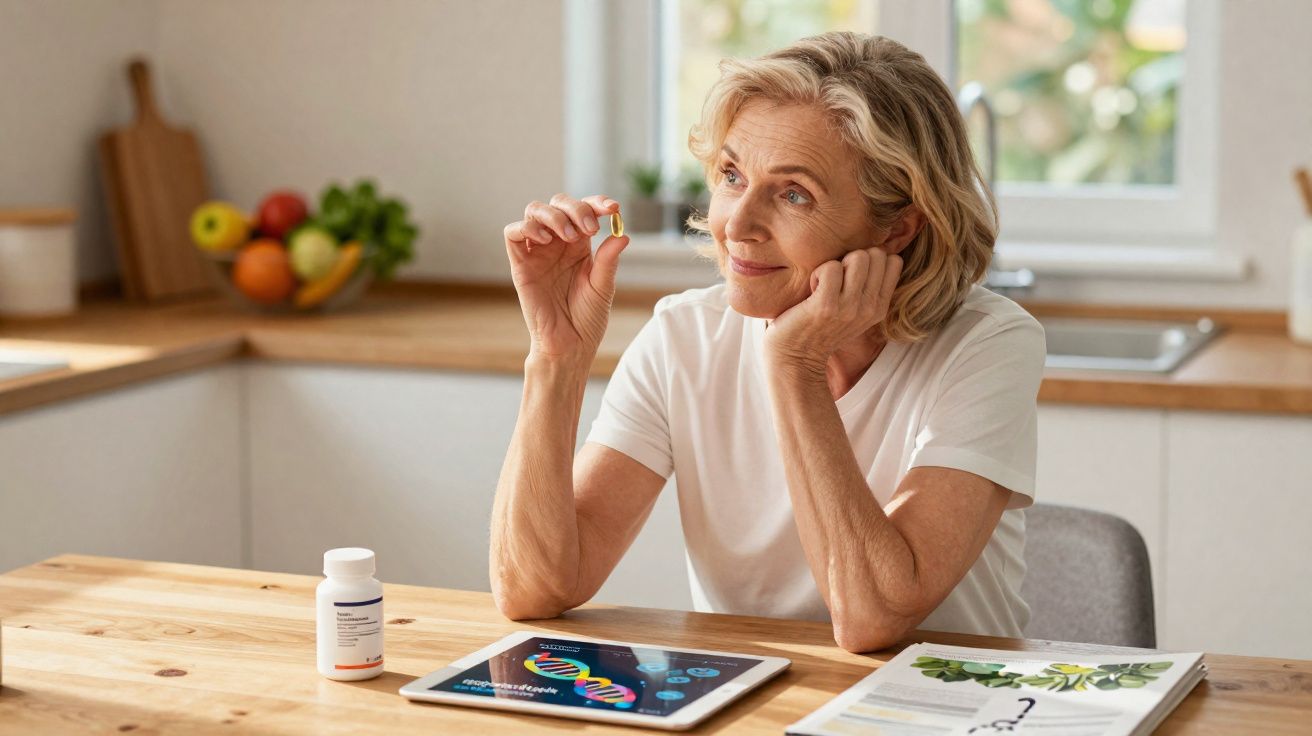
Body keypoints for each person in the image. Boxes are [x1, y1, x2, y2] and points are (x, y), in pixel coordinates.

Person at [490, 31, 1046, 653]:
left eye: (793, 193)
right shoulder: (684, 337)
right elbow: (533, 587)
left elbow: (872, 618)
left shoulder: (988, 345)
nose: (738, 224)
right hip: (752, 695)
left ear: (897, 229)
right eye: (732, 175)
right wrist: (556, 356)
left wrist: (795, 364)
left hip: (939, 696)